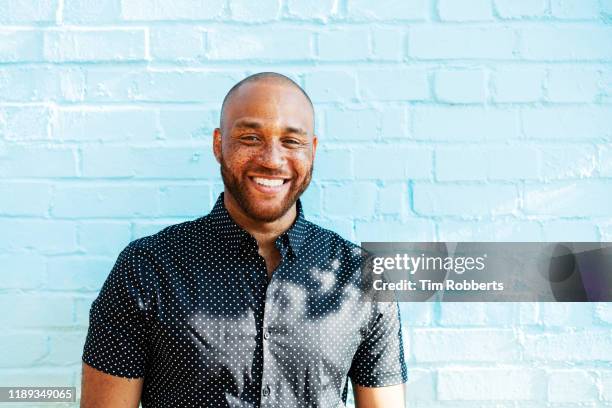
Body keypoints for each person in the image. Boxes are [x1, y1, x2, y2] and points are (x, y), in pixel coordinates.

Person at [80, 72, 407, 408]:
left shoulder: (363, 276)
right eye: (251, 137)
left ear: (313, 150)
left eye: (291, 141)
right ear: (218, 144)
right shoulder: (147, 267)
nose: (271, 159)